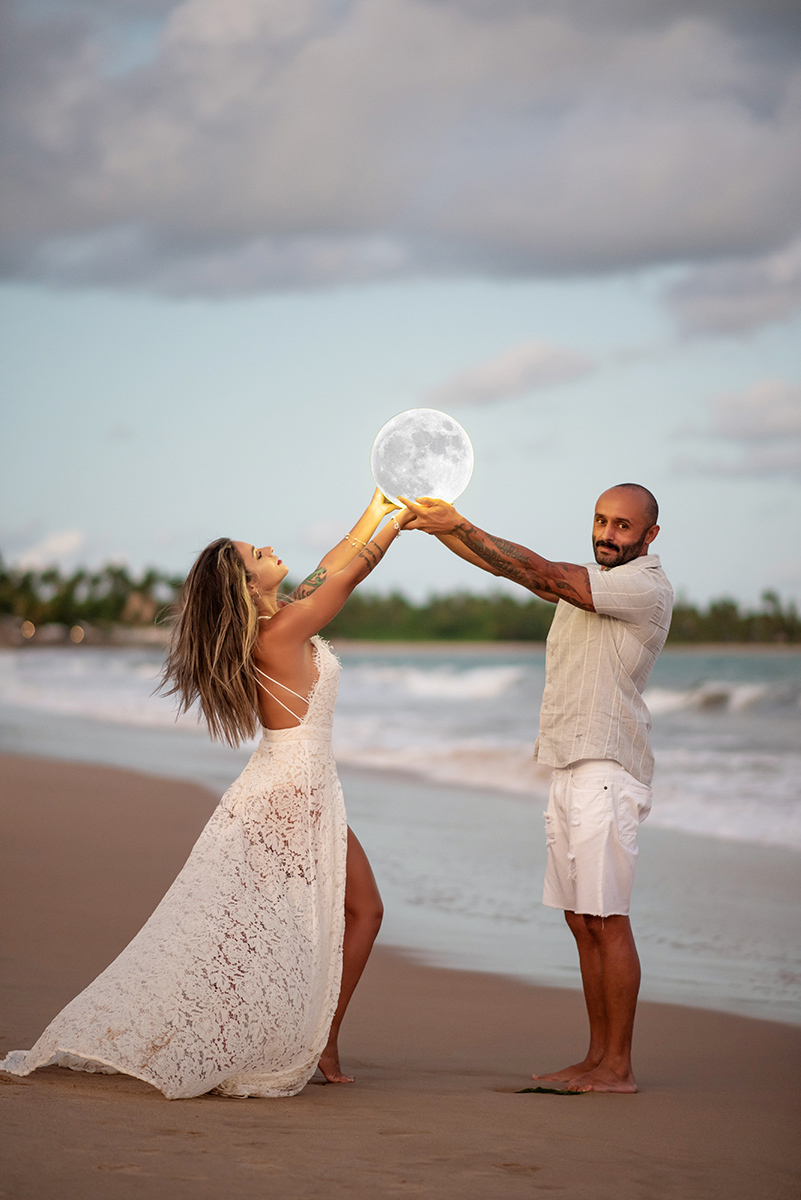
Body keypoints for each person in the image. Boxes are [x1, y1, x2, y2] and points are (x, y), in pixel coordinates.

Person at [0, 489, 412, 1099]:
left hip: (298, 785)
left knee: (300, 918)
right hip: (292, 791)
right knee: (331, 916)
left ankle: (305, 1037)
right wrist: (399, 526)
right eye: (257, 554)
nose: (272, 550)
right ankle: (295, 1039)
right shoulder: (281, 629)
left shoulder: (282, 617)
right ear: (248, 586)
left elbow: (339, 556)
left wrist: (379, 504)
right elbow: (353, 572)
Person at [401, 483, 673, 1093]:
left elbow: (543, 574)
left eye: (623, 526)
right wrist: (444, 529)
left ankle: (619, 1068)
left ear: (649, 536)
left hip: (608, 766)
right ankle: (596, 1058)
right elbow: (524, 574)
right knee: (581, 921)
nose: (608, 534)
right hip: (571, 763)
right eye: (601, 521)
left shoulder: (643, 586)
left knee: (607, 918)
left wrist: (461, 523)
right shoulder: (594, 578)